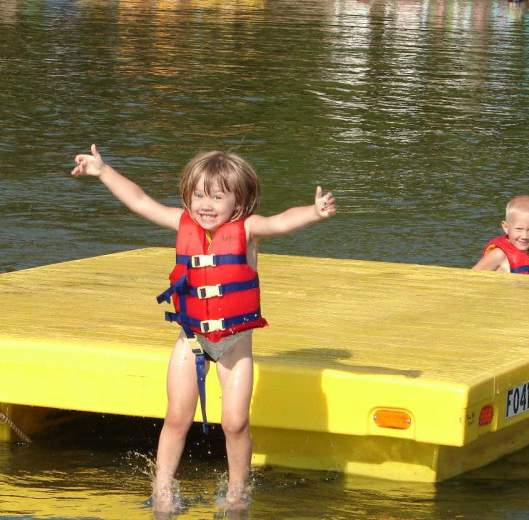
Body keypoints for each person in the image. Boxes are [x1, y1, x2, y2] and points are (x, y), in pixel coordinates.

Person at [72, 144, 338, 512]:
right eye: (198, 195)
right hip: (192, 339)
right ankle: (163, 488)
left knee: (235, 422)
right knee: (177, 417)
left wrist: (314, 212)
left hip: (234, 342)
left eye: (217, 196)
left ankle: (236, 493)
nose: (205, 204)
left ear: (239, 202)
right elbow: (140, 200)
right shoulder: (182, 223)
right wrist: (103, 171)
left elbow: (281, 221)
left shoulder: (248, 229)